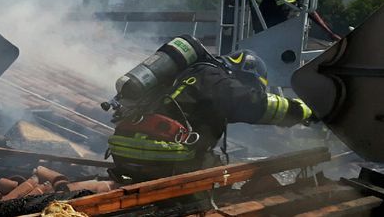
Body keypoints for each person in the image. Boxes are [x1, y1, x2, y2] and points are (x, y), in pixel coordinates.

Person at [105, 35, 313, 183]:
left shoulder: (188, 73)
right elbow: (252, 104)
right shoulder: (215, 78)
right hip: (162, 155)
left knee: (214, 164)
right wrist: (302, 111)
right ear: (245, 74)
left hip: (123, 150)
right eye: (250, 87)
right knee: (215, 181)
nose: (246, 90)